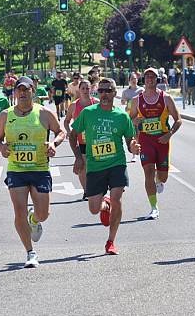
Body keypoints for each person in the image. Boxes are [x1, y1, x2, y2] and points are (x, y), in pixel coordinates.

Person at [0, 77, 66, 268]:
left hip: (40, 168)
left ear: (33, 91)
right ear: (15, 92)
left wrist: (53, 143)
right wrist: (1, 148)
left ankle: (35, 219)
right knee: (19, 211)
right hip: (17, 169)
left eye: (27, 90)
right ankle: (30, 252)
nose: (23, 93)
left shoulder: (43, 113)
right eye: (20, 90)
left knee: (44, 214)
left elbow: (61, 131)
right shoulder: (5, 115)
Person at [70, 78, 140, 255]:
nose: (104, 94)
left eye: (108, 90)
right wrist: (78, 157)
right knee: (94, 209)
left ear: (115, 93)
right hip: (95, 166)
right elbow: (73, 135)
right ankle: (105, 204)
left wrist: (133, 146)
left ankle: (111, 241)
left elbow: (130, 138)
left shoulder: (122, 116)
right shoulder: (88, 113)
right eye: (101, 91)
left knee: (117, 199)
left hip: (116, 163)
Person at [129, 67, 182, 220]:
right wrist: (134, 121)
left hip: (162, 140)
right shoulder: (136, 100)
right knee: (148, 172)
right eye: (147, 77)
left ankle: (160, 179)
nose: (150, 79)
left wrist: (169, 134)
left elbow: (178, 120)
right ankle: (154, 207)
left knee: (163, 177)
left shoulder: (166, 98)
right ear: (143, 80)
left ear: (157, 79)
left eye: (152, 77)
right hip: (146, 140)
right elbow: (130, 121)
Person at [64, 79, 99, 199]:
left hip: (96, 140)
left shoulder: (97, 103)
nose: (85, 91)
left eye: (87, 88)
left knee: (97, 165)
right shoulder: (74, 105)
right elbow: (66, 121)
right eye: (83, 88)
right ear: (79, 89)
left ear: (91, 89)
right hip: (81, 140)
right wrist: (69, 132)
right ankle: (86, 191)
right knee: (82, 166)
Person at [121, 72, 144, 163]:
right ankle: (134, 154)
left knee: (140, 135)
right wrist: (124, 100)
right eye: (132, 79)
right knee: (133, 135)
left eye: (135, 79)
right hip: (130, 116)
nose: (134, 80)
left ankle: (142, 151)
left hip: (139, 115)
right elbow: (123, 103)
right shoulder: (125, 92)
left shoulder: (141, 90)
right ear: (129, 81)